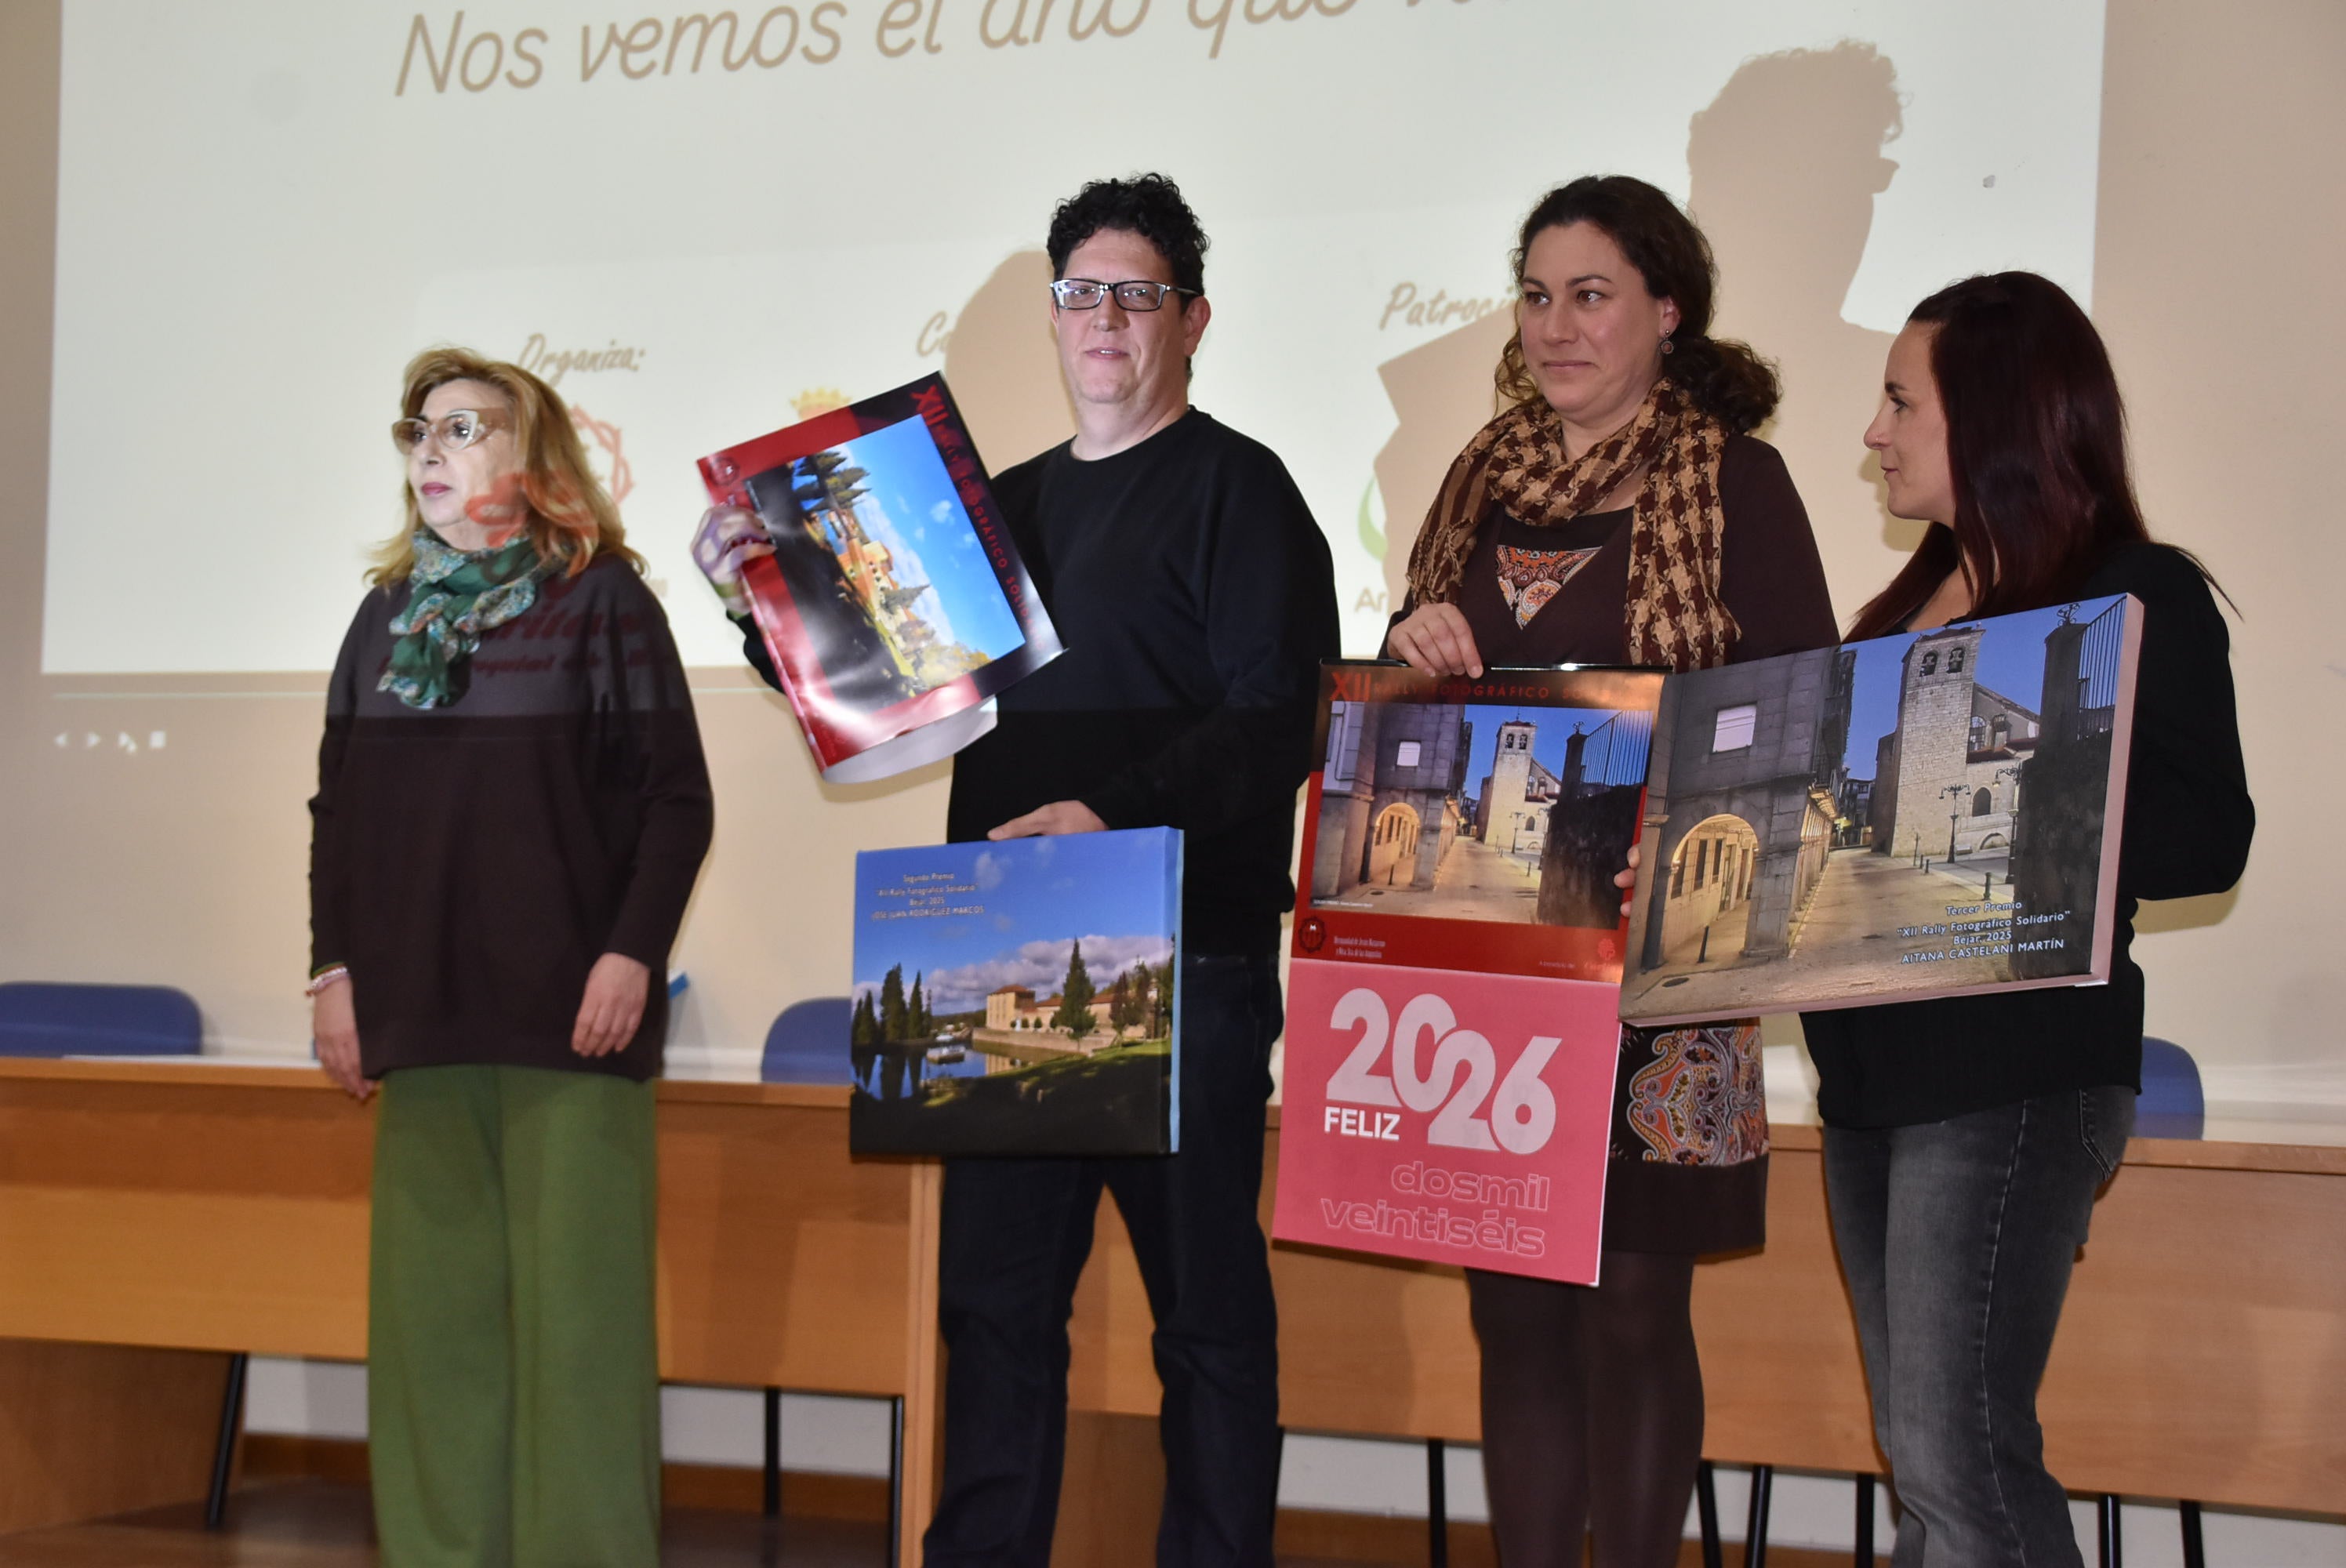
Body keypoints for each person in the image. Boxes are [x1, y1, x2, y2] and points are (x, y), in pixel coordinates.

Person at [699, 173, 1339, 1567]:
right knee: (991, 1313)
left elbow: (1276, 719)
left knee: (1208, 1323)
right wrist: (759, 600)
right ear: (1054, 322)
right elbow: (886, 696)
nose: (1104, 319)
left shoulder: (1244, 489)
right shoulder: (1004, 509)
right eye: (1080, 294)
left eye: (1136, 293)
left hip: (1186, 959)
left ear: (1193, 318)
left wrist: (1106, 812)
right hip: (995, 953)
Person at [1384, 175, 1836, 1568]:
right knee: (1512, 1305)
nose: (1557, 325)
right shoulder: (1475, 477)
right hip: (1491, 958)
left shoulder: (1733, 480)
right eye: (1536, 294)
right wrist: (1412, 643)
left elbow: (1806, 715)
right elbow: (1400, 711)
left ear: (1665, 310)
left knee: (1635, 1303)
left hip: (1663, 956)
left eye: (1591, 294)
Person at [1802, 272, 2253, 1567]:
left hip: (2011, 1079)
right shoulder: (1896, 615)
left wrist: (2034, 788)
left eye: (1900, 400)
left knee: (1962, 1456)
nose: (1874, 433)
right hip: (1873, 1079)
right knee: (1925, 1452)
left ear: (1993, 418)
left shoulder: (2131, 591)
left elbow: (2205, 838)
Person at [309, 347, 713, 1567]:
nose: (433, 450)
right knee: (434, 1338)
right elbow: (338, 812)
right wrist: (334, 975)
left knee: (579, 1335)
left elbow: (675, 804)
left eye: (466, 427)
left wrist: (631, 954)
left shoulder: (605, 604)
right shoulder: (384, 620)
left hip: (570, 1023)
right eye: (419, 432)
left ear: (533, 465)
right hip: (419, 1024)